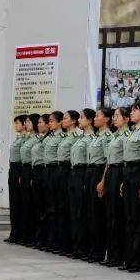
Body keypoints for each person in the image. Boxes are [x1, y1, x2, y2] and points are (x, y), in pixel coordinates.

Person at [122, 101, 140, 273]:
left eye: (135, 110)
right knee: (129, 217)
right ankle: (129, 258)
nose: (132, 113)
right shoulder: (133, 131)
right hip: (128, 172)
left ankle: (137, 260)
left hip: (138, 171)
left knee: (137, 218)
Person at [102, 108, 129, 268]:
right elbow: (108, 160)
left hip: (120, 172)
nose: (115, 118)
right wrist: (104, 180)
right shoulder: (114, 136)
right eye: (114, 116)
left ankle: (119, 255)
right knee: (110, 214)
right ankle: (111, 254)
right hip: (111, 171)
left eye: (118, 116)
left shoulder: (127, 135)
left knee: (118, 215)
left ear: (126, 119)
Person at [85, 109, 111, 264]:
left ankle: (99, 251)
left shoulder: (107, 136)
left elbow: (108, 160)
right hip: (90, 172)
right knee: (90, 213)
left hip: (99, 172)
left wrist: (102, 180)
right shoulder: (97, 136)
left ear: (106, 119)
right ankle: (92, 249)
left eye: (98, 116)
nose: (95, 118)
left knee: (97, 214)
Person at [68, 110, 93, 260]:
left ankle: (83, 248)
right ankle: (76, 246)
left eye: (83, 117)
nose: (80, 120)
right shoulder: (80, 137)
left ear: (89, 120)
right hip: (74, 172)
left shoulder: (92, 138)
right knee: (74, 212)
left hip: (83, 172)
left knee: (82, 212)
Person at [53, 111, 78, 256]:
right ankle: (61, 243)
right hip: (59, 169)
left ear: (73, 121)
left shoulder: (76, 136)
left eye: (66, 118)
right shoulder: (64, 136)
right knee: (60, 207)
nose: (63, 121)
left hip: (69, 169)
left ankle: (69, 245)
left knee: (68, 208)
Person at [41, 112, 64, 253]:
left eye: (52, 121)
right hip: (46, 170)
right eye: (48, 121)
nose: (49, 123)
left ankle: (55, 241)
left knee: (54, 207)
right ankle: (48, 240)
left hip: (55, 170)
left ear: (60, 122)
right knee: (47, 206)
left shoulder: (62, 137)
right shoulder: (49, 136)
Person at [20, 115, 42, 247]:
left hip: (33, 169)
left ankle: (33, 236)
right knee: (25, 203)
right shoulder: (28, 138)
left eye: (28, 121)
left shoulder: (38, 139)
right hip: (25, 169)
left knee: (32, 204)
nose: (26, 123)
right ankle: (26, 235)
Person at [30, 115, 51, 249]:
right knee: (37, 206)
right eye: (37, 123)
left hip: (44, 171)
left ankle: (44, 239)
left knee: (44, 207)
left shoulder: (49, 139)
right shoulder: (41, 138)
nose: (38, 125)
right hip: (36, 171)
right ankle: (38, 238)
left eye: (41, 122)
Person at [4, 115, 26, 244]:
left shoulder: (24, 140)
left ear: (24, 125)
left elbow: (23, 159)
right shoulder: (18, 139)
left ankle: (18, 233)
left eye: (18, 123)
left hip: (18, 170)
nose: (15, 125)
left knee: (18, 204)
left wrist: (20, 175)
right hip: (12, 169)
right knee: (13, 203)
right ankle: (14, 232)